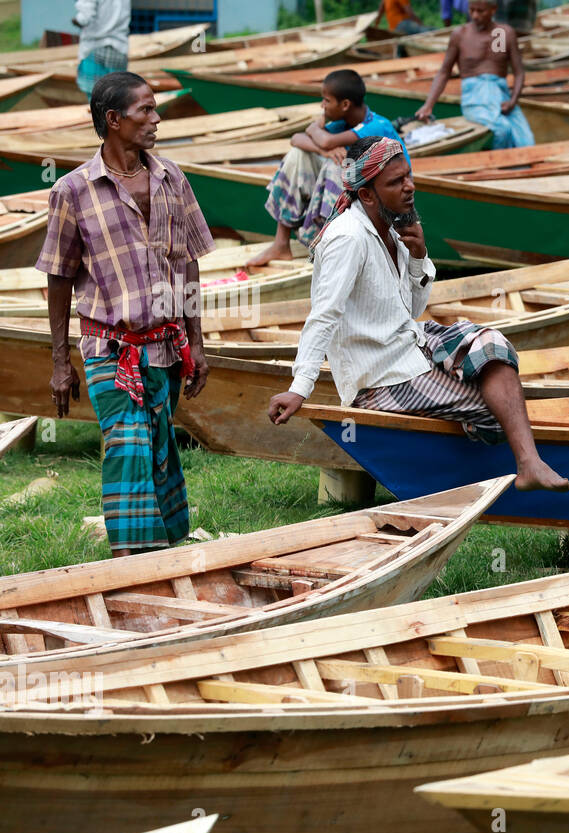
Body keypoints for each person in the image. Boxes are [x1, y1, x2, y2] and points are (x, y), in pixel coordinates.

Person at [267, 136, 569, 495]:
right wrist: (299, 389)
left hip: (411, 343)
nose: (410, 187)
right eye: (396, 182)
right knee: (495, 409)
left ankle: (528, 463)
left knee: (492, 345)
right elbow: (323, 316)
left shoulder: (392, 228)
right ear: (367, 194)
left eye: (408, 176)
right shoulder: (348, 238)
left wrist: (418, 256)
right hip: (381, 378)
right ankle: (520, 463)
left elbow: (410, 311)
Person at [37, 72, 215, 556]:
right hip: (109, 349)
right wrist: (59, 362)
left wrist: (197, 342)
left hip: (166, 345)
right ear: (114, 120)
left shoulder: (171, 178)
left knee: (160, 446)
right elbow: (58, 277)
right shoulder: (73, 190)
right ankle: (128, 560)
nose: (156, 120)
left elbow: (189, 262)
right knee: (128, 448)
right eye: (146, 111)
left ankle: (164, 552)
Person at [247, 69, 408, 267]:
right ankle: (281, 244)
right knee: (298, 155)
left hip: (383, 203)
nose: (322, 105)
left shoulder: (376, 125)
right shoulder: (344, 122)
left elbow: (325, 140)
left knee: (337, 166)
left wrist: (316, 128)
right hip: (357, 196)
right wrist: (323, 151)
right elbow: (297, 139)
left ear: (345, 104)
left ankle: (327, 247)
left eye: (326, 101)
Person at [415, 0, 534, 150]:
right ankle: (498, 168)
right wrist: (428, 105)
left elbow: (519, 72)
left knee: (526, 141)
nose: (475, 15)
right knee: (502, 129)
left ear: (493, 10)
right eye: (472, 10)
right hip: (474, 98)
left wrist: (513, 100)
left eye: (480, 11)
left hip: (502, 96)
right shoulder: (460, 34)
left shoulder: (503, 33)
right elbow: (444, 72)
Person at [72, 0, 130, 99]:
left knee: (95, 96)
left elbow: (85, 17)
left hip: (96, 47)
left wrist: (76, 20)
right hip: (119, 49)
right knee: (115, 96)